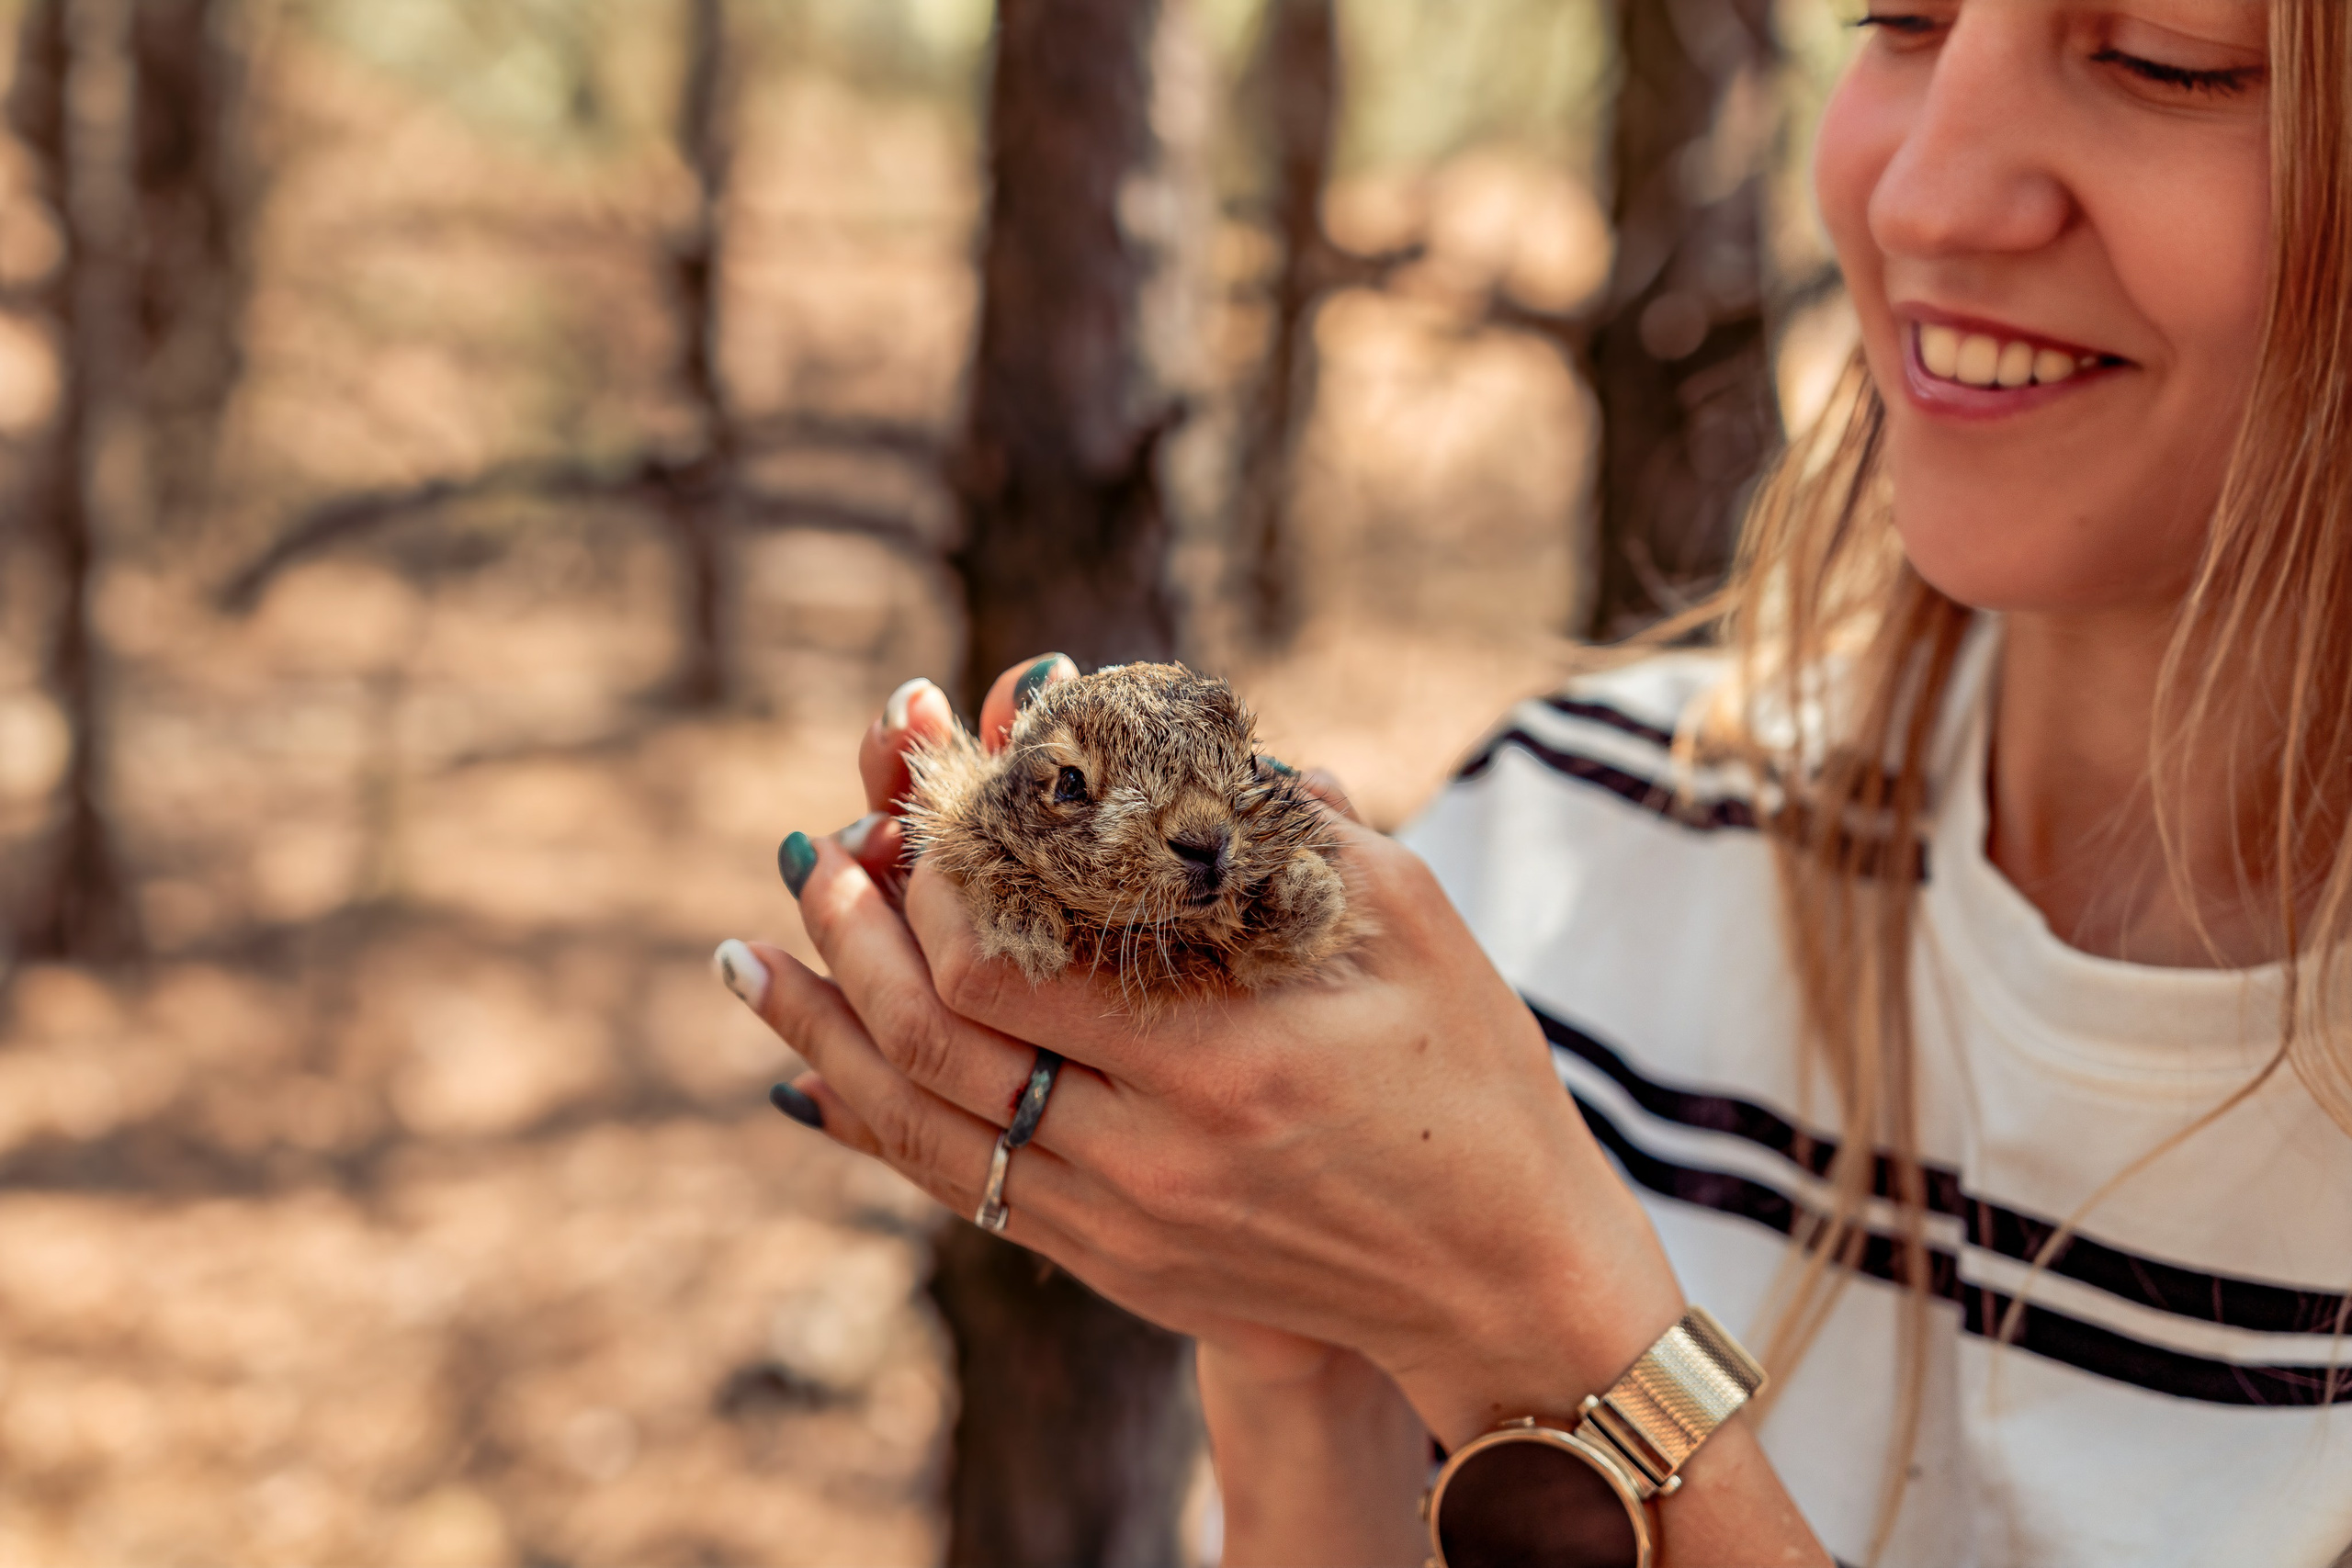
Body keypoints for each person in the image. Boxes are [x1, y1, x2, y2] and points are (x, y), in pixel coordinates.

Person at [708, 1, 2352, 1562]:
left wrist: (1544, 1335)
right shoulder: (1560, 839)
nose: (1923, 191)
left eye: (2169, 56)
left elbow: (1524, 1322)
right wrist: (1297, 1360)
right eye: (1902, 18)